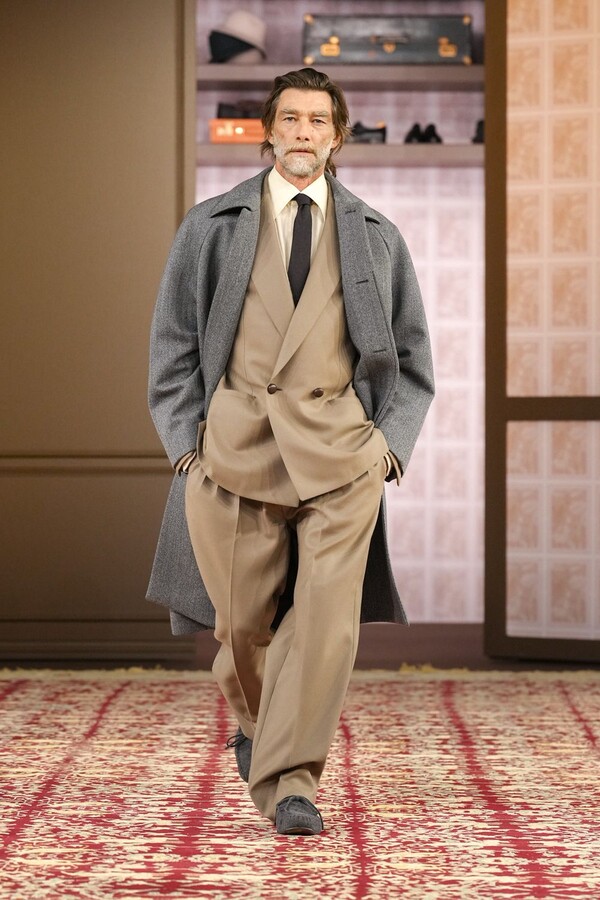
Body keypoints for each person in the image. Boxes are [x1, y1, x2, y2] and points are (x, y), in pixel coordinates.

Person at [147, 68, 434, 836]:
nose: (304, 132)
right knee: (241, 629)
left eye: (318, 121)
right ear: (268, 131)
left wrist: (387, 450)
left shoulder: (376, 236)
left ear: (338, 137)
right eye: (291, 119)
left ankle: (292, 782)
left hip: (342, 456)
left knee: (326, 625)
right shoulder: (211, 225)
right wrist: (185, 448)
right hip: (233, 453)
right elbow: (172, 346)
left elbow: (412, 360)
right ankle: (259, 727)